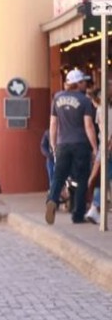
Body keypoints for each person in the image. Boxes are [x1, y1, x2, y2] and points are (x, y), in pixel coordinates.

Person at [45, 69, 97, 225]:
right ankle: (78, 214)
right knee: (82, 179)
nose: (85, 84)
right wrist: (95, 147)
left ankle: (52, 199)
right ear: (78, 83)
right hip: (80, 144)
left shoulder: (57, 98)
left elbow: (53, 123)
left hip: (62, 143)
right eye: (83, 81)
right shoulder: (84, 100)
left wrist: (53, 144)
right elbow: (88, 125)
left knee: (58, 176)